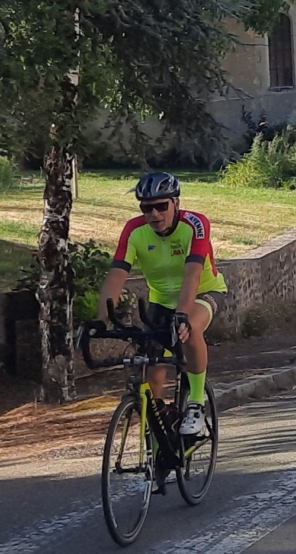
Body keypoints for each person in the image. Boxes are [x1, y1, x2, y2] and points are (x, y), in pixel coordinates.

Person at [99, 172, 228, 436]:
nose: (154, 214)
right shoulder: (134, 230)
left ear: (176, 203)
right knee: (151, 370)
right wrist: (101, 320)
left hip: (204, 292)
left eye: (161, 206)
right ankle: (158, 434)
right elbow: (116, 276)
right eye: (146, 208)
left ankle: (196, 403)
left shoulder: (195, 224)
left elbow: (193, 274)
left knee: (190, 327)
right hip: (161, 302)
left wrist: (182, 313)